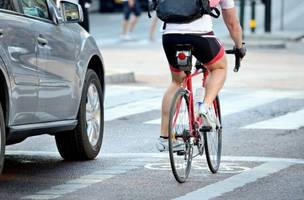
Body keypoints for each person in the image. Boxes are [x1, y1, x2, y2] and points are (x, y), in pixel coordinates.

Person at [156, 0, 246, 151]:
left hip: (170, 36)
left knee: (177, 82)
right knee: (219, 67)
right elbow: (232, 23)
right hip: (200, 36)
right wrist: (239, 46)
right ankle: (205, 106)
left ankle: (164, 137)